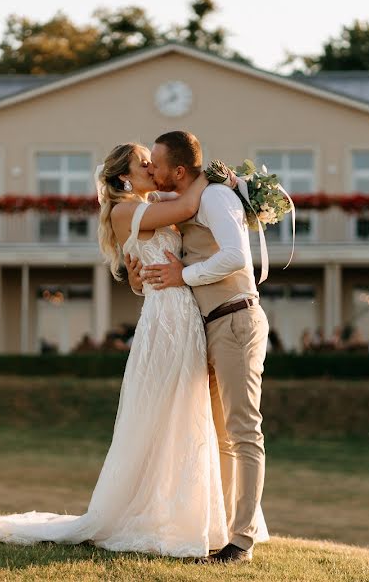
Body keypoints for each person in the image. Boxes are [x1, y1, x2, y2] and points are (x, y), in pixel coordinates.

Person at [0, 140, 232, 558]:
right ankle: (153, 514)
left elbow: (171, 216)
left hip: (182, 313)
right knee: (167, 411)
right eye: (145, 163)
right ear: (125, 175)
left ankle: (184, 513)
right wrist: (211, 176)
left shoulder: (148, 200)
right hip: (168, 319)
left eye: (154, 162)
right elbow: (184, 207)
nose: (152, 167)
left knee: (184, 411)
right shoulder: (127, 210)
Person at [139, 131, 270, 562]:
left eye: (155, 164)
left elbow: (236, 256)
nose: (150, 171)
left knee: (243, 431)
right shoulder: (190, 199)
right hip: (209, 326)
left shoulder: (215, 197)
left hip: (235, 319)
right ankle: (223, 531)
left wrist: (185, 276)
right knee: (220, 437)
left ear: (179, 170)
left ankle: (242, 541)